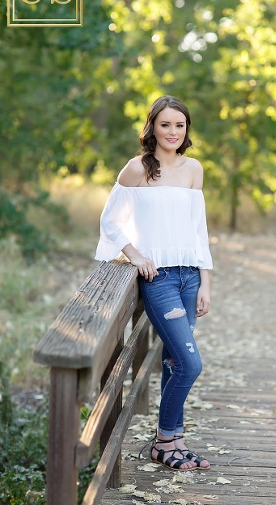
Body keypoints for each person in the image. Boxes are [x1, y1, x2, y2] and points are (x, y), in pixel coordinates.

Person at [95, 95, 213, 471]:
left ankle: (174, 441)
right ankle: (164, 442)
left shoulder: (194, 170)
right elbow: (110, 221)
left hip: (190, 276)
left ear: (186, 129)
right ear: (152, 127)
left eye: (180, 125)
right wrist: (137, 255)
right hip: (159, 279)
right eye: (166, 124)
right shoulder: (135, 170)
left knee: (175, 360)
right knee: (190, 364)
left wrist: (206, 283)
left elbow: (199, 232)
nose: (173, 132)